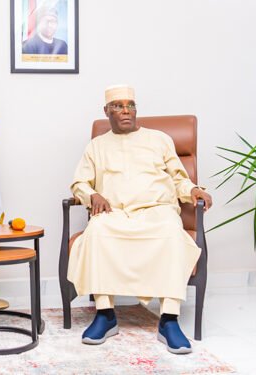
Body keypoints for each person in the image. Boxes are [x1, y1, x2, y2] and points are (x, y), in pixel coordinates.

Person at [66, 85, 212, 354]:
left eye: (130, 105)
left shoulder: (160, 140)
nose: (125, 111)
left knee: (170, 231)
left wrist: (192, 190)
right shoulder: (96, 146)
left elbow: (180, 178)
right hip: (115, 213)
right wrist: (92, 194)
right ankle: (105, 315)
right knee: (96, 230)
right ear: (106, 111)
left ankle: (169, 319)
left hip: (157, 211)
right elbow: (79, 183)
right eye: (118, 106)